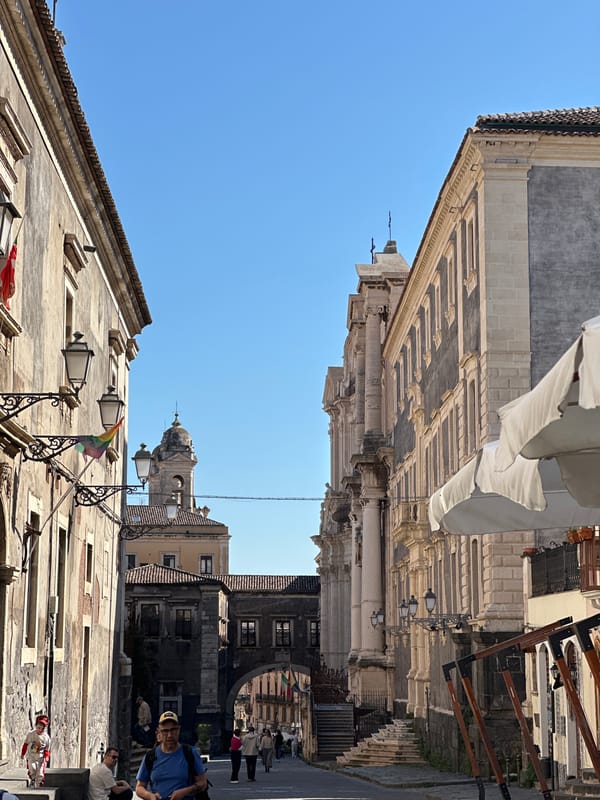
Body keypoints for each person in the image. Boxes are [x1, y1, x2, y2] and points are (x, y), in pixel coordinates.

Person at [135, 711, 207, 800]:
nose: (169, 735)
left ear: (178, 730)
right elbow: (139, 787)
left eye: (173, 730)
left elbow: (202, 783)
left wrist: (184, 792)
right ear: (159, 732)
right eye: (165, 731)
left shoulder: (189, 753)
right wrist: (150, 796)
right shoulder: (150, 756)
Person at [21, 714, 51, 787]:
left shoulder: (46, 738)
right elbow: (25, 744)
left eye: (42, 728)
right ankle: (32, 778)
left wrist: (46, 756)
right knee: (33, 768)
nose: (40, 730)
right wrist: (23, 753)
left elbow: (47, 749)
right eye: (39, 727)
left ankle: (40, 784)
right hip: (31, 755)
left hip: (40, 757)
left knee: (40, 772)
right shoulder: (31, 735)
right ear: (36, 726)